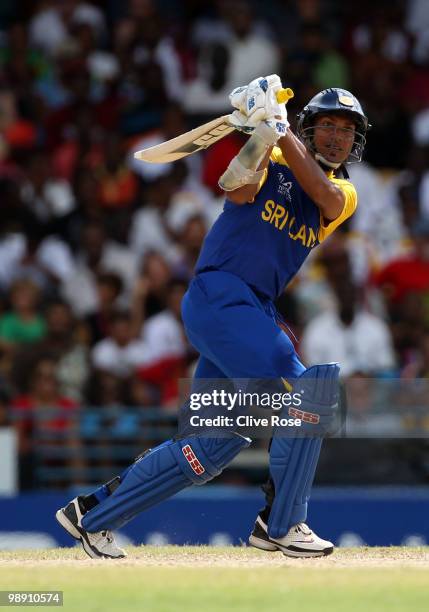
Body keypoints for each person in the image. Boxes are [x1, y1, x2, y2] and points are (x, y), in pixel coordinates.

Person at [55, 76, 370, 559]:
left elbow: (323, 197)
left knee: (214, 443)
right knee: (313, 392)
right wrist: (264, 136)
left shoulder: (343, 195)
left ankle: (92, 516)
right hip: (222, 295)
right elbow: (234, 188)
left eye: (345, 130)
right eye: (326, 125)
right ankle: (283, 524)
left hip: (245, 311)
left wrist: (276, 126)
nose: (335, 136)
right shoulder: (279, 158)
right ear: (308, 130)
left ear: (355, 141)